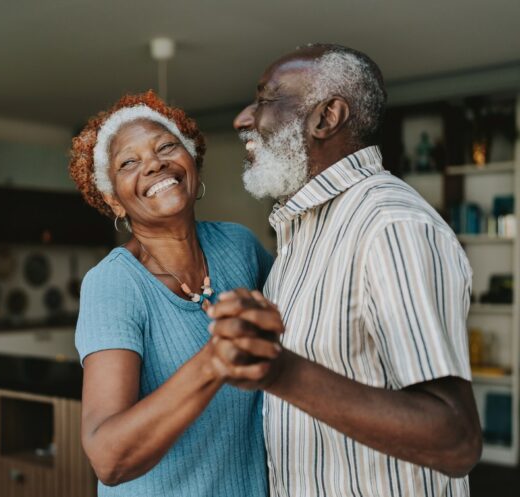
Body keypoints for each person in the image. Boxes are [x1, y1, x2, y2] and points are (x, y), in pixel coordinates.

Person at [206, 44, 482, 496]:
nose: (242, 119)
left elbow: (455, 439)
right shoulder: (302, 234)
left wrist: (279, 371)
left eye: (265, 100)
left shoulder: (390, 225)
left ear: (326, 117)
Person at [69, 90, 276, 497]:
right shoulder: (114, 283)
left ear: (191, 160)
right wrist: (215, 359)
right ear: (113, 200)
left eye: (166, 147)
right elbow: (109, 458)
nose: (154, 164)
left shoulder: (239, 246)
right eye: (128, 163)